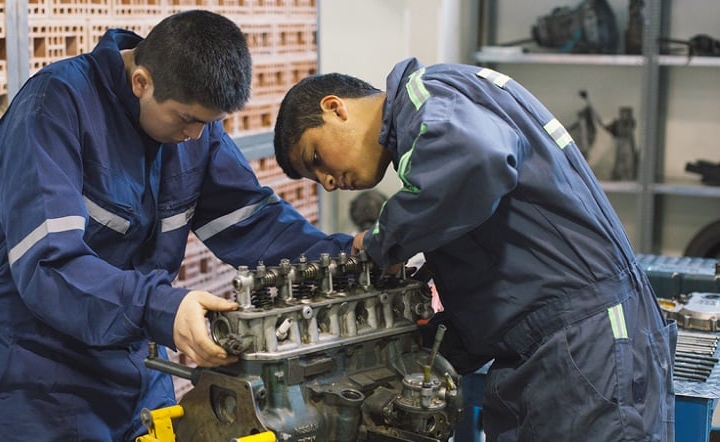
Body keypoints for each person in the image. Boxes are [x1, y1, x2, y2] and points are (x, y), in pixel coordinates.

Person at [0, 10, 352, 441]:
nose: (196, 135)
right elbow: (49, 266)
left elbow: (249, 219)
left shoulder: (195, 128)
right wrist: (164, 309)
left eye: (208, 123)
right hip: (44, 380)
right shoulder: (54, 109)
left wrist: (342, 256)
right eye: (187, 119)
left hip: (141, 368)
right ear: (141, 83)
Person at [273, 58, 676, 441]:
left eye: (316, 157)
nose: (326, 182)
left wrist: (382, 244)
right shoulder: (431, 149)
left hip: (584, 349)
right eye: (315, 178)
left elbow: (478, 158)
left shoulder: (427, 95)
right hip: (549, 356)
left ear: (335, 108)